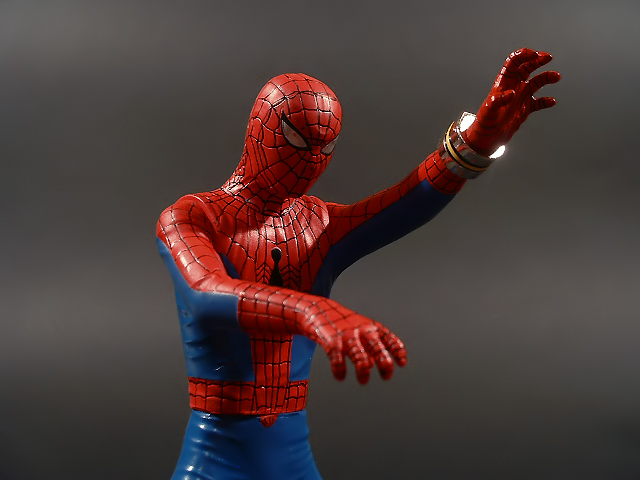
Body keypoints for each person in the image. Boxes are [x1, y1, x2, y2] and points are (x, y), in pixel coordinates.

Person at [156, 48, 560, 479]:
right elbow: (205, 292)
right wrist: (313, 309)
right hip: (214, 458)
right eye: (297, 141)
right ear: (260, 129)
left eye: (326, 147)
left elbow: (399, 206)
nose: (312, 161)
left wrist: (472, 146)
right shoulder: (191, 216)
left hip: (292, 457)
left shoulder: (318, 225)